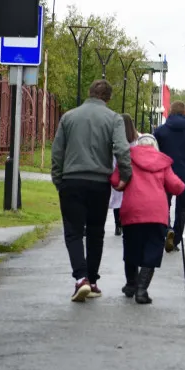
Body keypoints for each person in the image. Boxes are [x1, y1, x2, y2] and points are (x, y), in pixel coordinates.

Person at [51, 79, 132, 303]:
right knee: (96, 232)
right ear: (108, 98)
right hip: (99, 183)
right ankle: (93, 282)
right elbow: (122, 148)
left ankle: (81, 279)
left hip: (72, 181)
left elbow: (57, 152)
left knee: (74, 232)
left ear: (89, 93)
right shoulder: (114, 118)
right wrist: (125, 176)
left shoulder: (68, 117)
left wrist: (58, 180)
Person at [110, 134, 185, 305]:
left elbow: (116, 180)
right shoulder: (162, 162)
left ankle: (131, 285)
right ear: (155, 146)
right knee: (153, 248)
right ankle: (142, 290)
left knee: (131, 248)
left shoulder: (128, 158)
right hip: (156, 213)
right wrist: (181, 186)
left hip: (132, 210)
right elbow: (176, 186)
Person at [153, 101, 185, 254]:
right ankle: (176, 239)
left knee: (163, 205)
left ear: (170, 112)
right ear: (184, 112)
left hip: (163, 173)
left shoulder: (160, 132)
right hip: (183, 174)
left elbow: (155, 153)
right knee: (181, 208)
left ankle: (166, 230)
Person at [110, 114, 139, 237]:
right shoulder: (136, 141)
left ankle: (118, 225)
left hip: (119, 172)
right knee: (129, 199)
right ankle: (127, 223)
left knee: (118, 200)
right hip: (133, 174)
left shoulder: (117, 141)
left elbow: (113, 161)